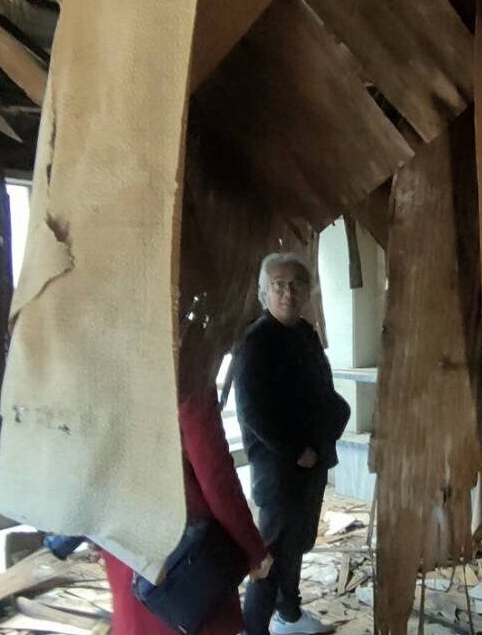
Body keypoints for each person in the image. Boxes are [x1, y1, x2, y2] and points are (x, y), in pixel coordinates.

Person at [102, 352, 272, 635]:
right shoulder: (184, 369)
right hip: (185, 556)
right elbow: (215, 474)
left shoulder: (101, 367)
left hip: (125, 547)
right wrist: (253, 549)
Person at [235, 252, 351, 635]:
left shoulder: (305, 333)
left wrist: (337, 419)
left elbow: (323, 390)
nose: (288, 292)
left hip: (312, 460)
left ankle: (289, 614)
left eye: (296, 285)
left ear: (307, 292)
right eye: (279, 285)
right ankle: (253, 627)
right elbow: (253, 411)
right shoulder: (257, 340)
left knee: (296, 544)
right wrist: (296, 451)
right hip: (280, 467)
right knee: (271, 553)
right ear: (264, 292)